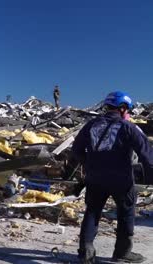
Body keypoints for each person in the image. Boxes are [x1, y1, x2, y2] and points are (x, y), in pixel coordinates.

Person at [72, 91, 153, 263]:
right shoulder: (128, 127)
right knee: (126, 213)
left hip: (95, 178)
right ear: (123, 108)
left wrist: (89, 164)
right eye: (128, 110)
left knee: (92, 212)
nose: (129, 114)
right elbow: (147, 155)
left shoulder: (91, 125)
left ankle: (86, 253)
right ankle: (122, 253)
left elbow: (76, 150)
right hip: (121, 180)